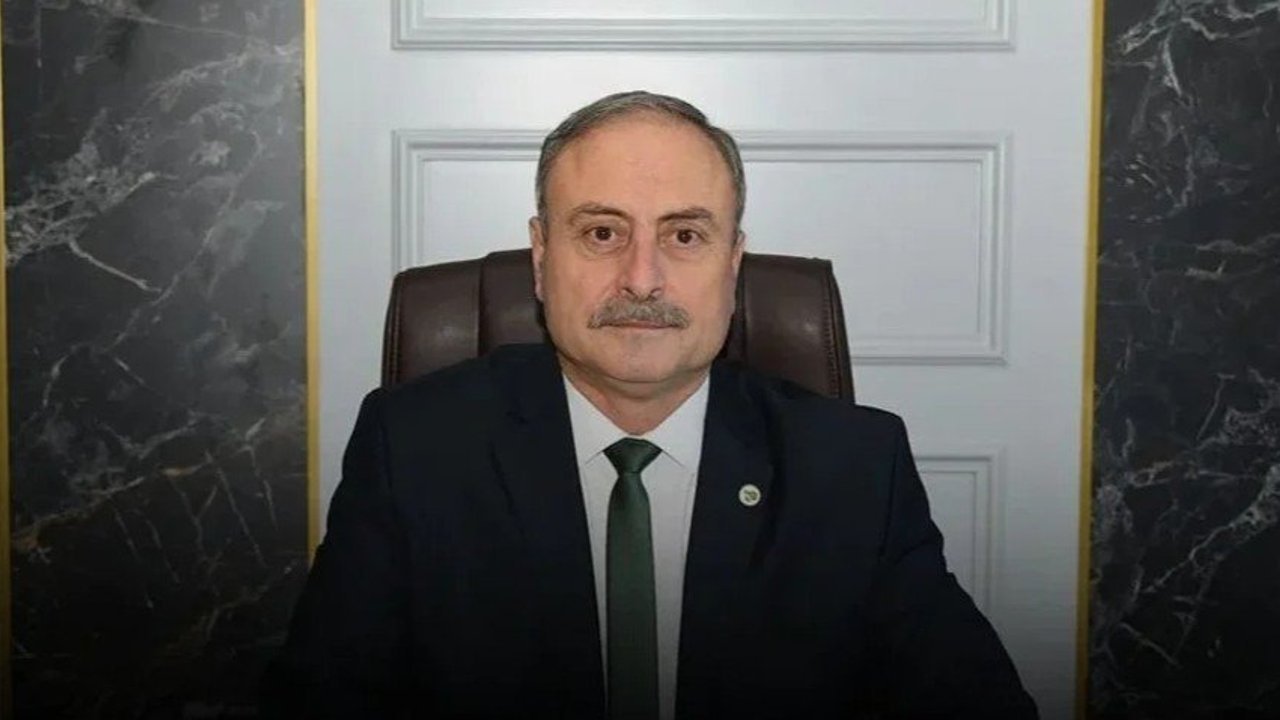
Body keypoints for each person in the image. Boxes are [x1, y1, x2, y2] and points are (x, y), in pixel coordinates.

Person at [262, 91, 1038, 719]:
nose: (641, 279)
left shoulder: (855, 468)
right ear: (541, 258)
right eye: (602, 233)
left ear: (733, 262)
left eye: (686, 237)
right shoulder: (415, 449)